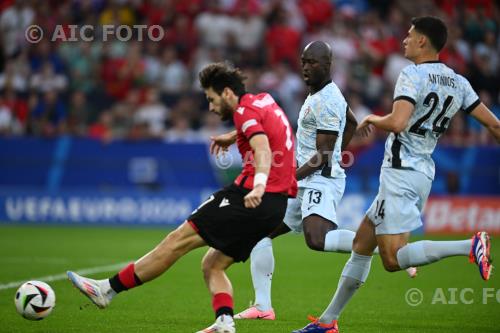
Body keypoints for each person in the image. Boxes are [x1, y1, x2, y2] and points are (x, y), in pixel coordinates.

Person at [292, 16, 499, 333]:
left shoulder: (412, 75)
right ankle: (327, 322)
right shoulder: (459, 81)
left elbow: (399, 122)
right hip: (422, 171)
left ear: (422, 42)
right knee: (362, 246)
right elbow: (494, 125)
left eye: (409, 35)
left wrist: (375, 117)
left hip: (401, 172)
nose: (403, 39)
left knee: (391, 259)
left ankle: (469, 246)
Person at [66, 62, 298, 333]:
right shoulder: (264, 101)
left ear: (226, 93)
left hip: (251, 195)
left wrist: (258, 185)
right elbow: (266, 130)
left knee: (177, 239)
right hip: (275, 206)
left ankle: (107, 290)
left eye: (211, 99)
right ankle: (224, 322)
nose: (210, 107)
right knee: (212, 265)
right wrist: (233, 137)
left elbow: (262, 148)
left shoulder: (244, 113)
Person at [209, 41, 415, 323]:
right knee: (258, 232)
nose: (306, 68)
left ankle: (389, 248)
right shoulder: (321, 95)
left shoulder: (328, 101)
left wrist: (290, 177)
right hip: (306, 179)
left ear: (328, 65)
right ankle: (263, 306)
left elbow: (323, 156)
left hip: (319, 180)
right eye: (304, 62)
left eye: (313, 63)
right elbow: (352, 122)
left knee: (317, 240)